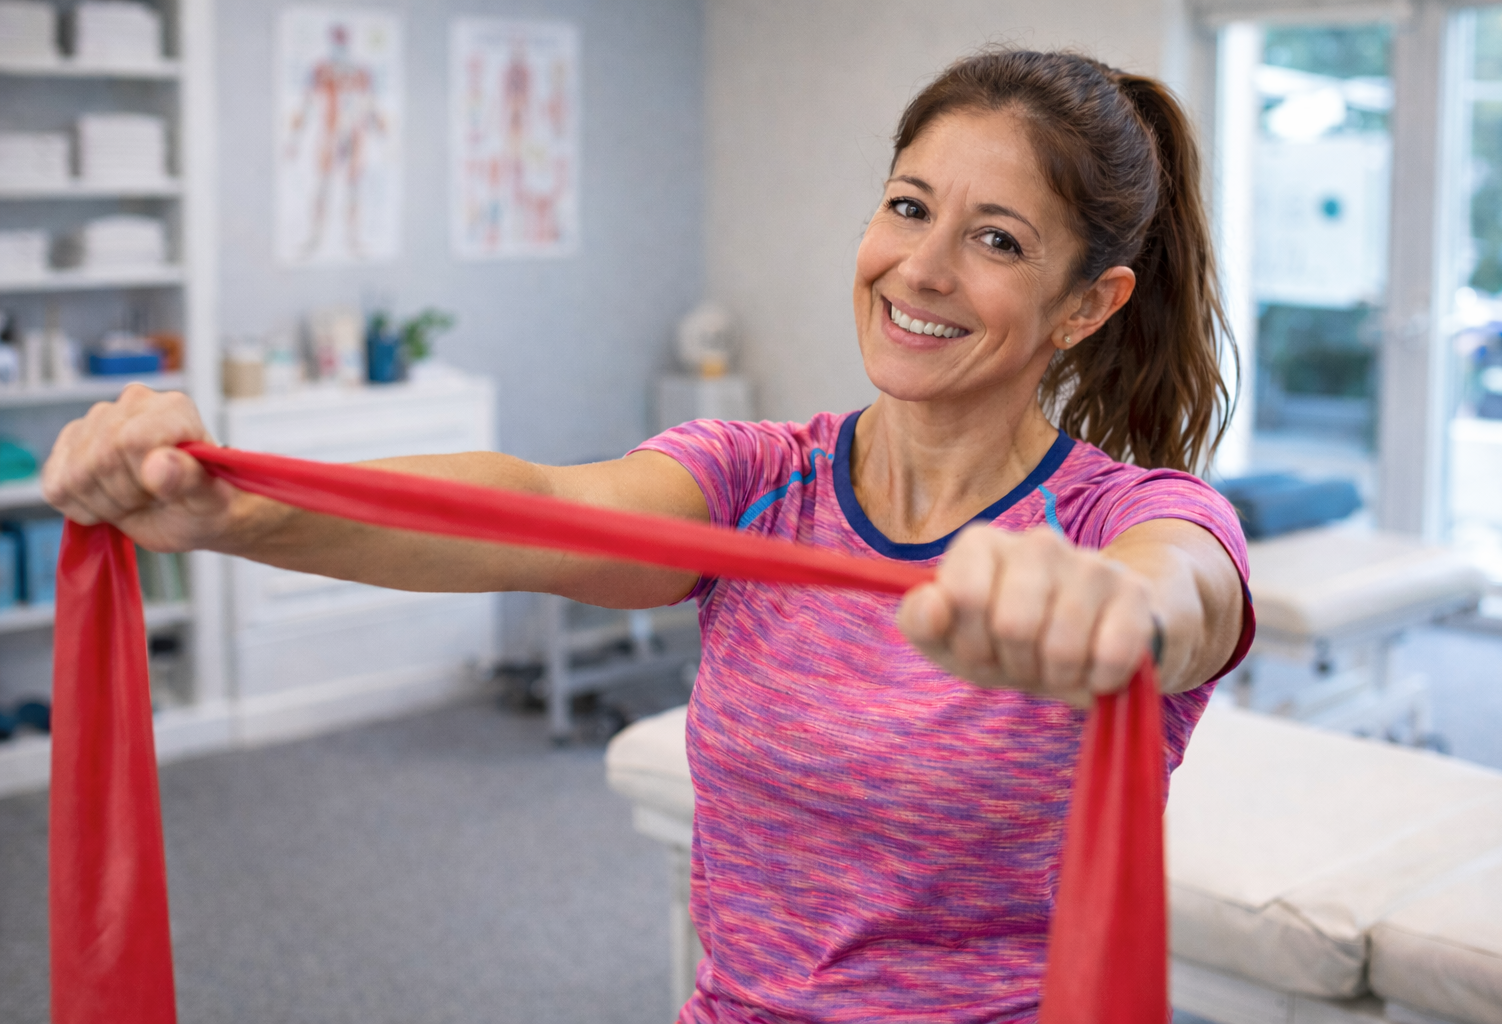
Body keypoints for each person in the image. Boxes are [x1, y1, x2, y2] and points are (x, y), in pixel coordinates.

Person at [45, 49, 1251, 1024]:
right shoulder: (759, 480)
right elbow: (530, 510)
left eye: (997, 240)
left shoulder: (1128, 523)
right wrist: (227, 509)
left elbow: (1182, 594)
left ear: (1087, 304)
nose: (920, 270)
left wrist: (1106, 610)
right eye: (908, 207)